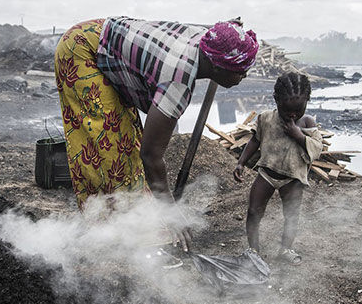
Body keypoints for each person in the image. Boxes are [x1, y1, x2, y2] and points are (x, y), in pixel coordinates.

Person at [54, 16, 259, 248]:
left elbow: (219, 32)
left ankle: (133, 218)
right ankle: (109, 232)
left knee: (127, 140)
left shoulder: (209, 40)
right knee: (106, 147)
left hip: (108, 44)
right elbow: (150, 155)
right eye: (240, 70)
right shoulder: (178, 81)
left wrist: (232, 32)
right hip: (83, 51)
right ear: (217, 66)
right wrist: (171, 212)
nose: (244, 76)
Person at [233, 72, 323, 265]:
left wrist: (298, 135)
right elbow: (254, 141)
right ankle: (253, 250)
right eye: (287, 110)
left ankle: (285, 249)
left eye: (298, 110)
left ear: (307, 101)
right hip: (266, 172)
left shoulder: (307, 123)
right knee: (254, 211)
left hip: (292, 178)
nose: (293, 115)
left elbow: (317, 149)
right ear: (276, 100)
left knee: (291, 215)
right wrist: (241, 162)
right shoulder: (266, 119)